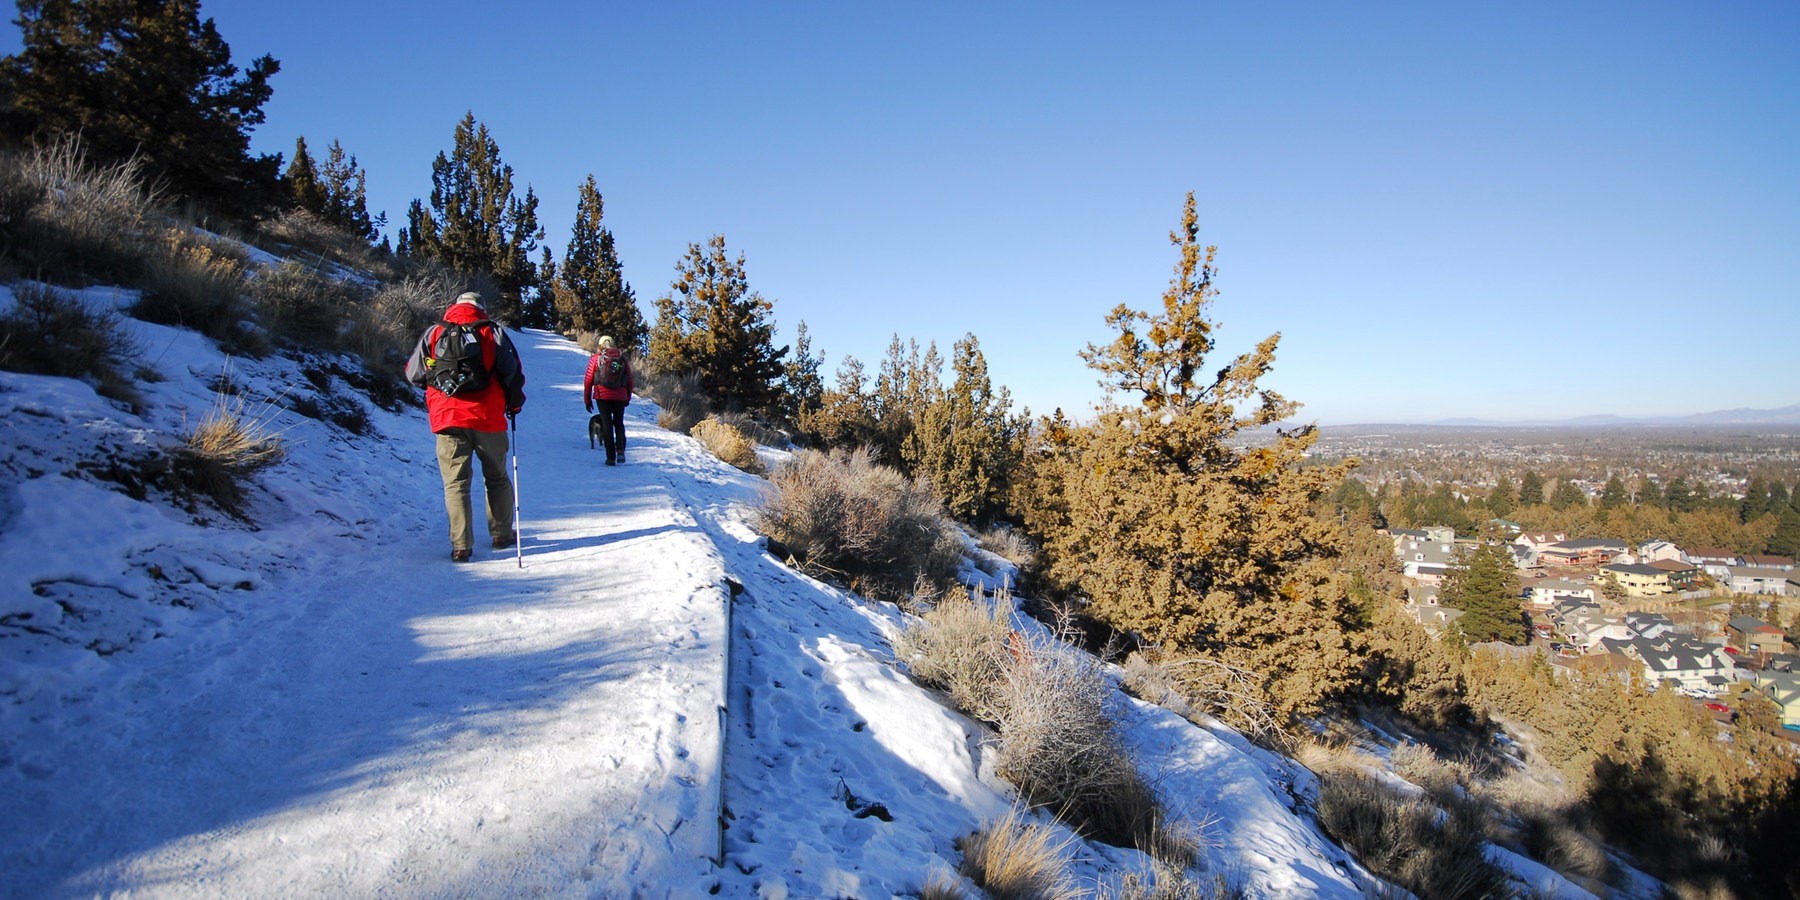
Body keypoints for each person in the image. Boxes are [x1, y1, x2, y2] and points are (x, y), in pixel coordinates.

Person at [404, 292, 527, 561]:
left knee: (456, 484)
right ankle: (501, 534)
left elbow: (414, 374)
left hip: (448, 419)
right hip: (488, 418)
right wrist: (514, 404)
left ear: (454, 308)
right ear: (480, 308)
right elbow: (513, 372)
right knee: (496, 477)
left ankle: (461, 545)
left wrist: (438, 388)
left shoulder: (435, 332)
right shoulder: (492, 332)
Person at [583, 335, 633, 465]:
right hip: (620, 396)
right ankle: (621, 450)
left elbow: (588, 380)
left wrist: (587, 400)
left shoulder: (595, 359)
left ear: (600, 345)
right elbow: (630, 379)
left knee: (607, 425)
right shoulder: (621, 359)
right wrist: (627, 396)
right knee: (619, 423)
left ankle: (610, 457)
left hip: (602, 396)